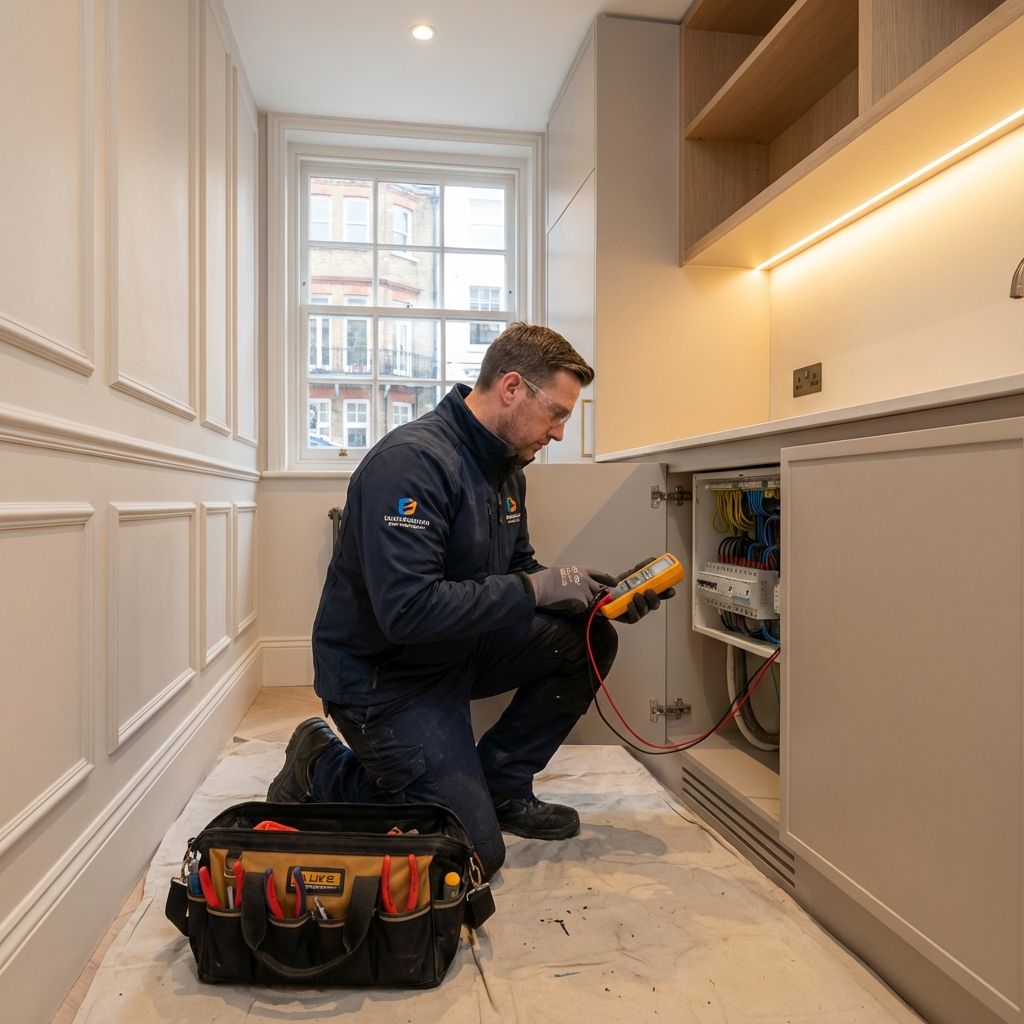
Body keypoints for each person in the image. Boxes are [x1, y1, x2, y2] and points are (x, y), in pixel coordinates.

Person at [267, 323, 671, 879]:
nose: (557, 433)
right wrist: (536, 588)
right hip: (384, 677)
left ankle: (501, 787)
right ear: (511, 388)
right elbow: (408, 610)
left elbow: (516, 571)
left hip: (455, 650)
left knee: (588, 637)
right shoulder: (411, 463)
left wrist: (589, 600)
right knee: (471, 851)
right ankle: (321, 766)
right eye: (556, 413)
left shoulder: (506, 467)